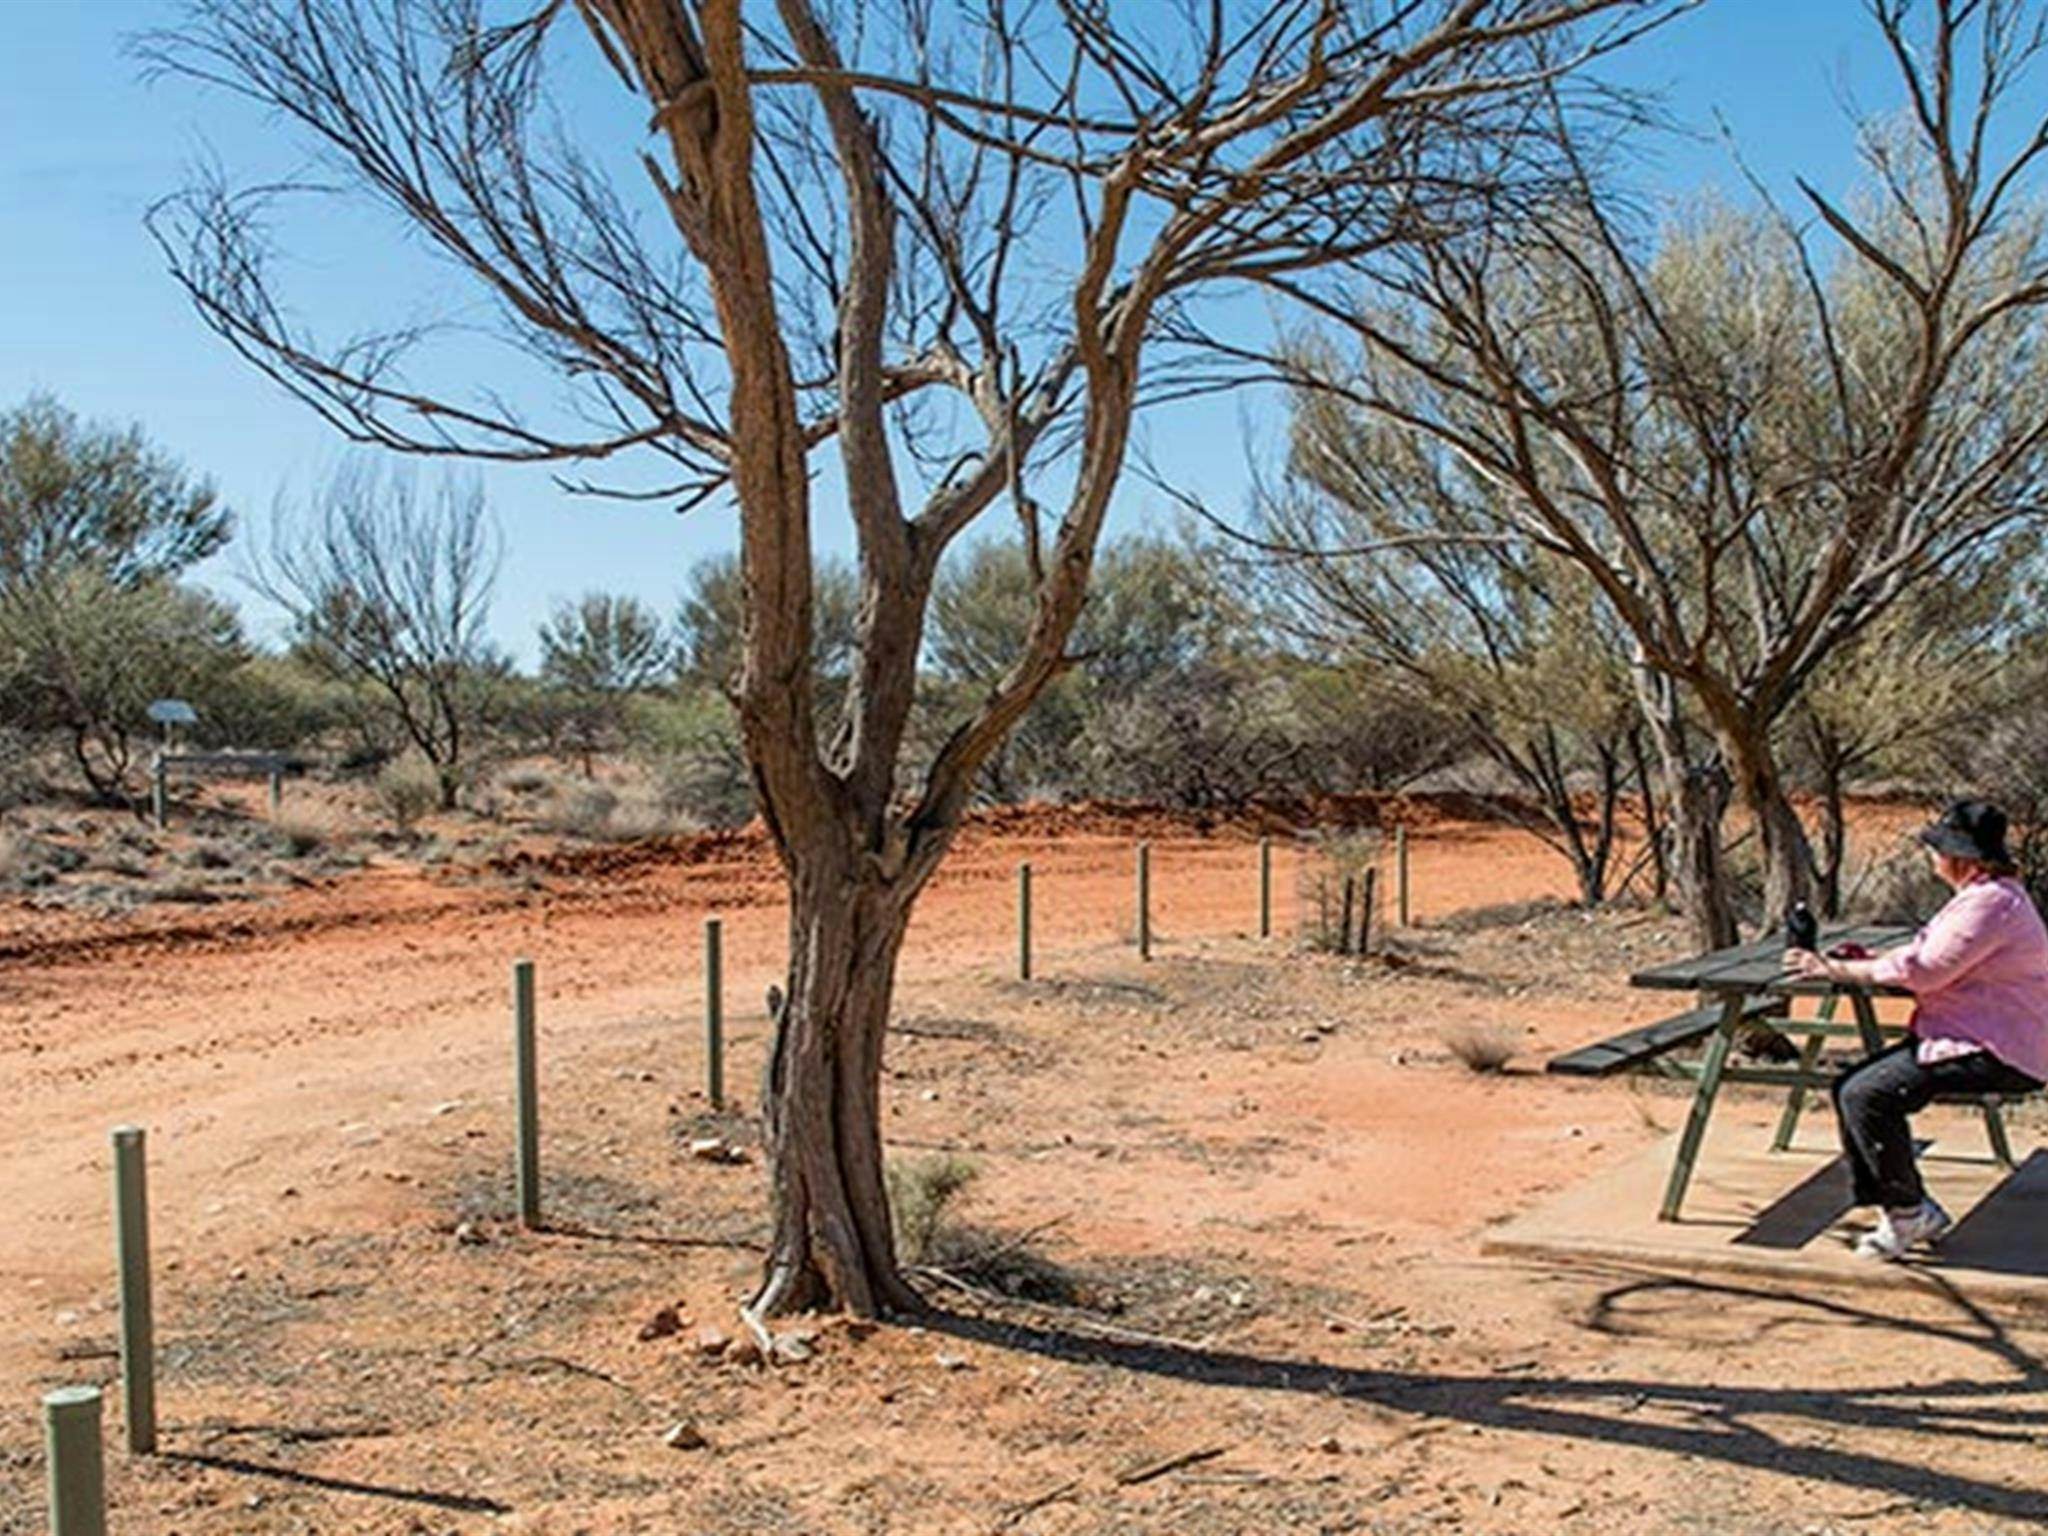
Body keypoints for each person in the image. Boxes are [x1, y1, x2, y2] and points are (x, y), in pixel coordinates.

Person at [1786, 799, 2048, 1260]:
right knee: (1855, 1087)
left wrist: (1834, 970)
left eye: (1938, 848)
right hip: (1975, 1034)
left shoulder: (1989, 904)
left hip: (1998, 1048)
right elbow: (1931, 958)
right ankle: (1904, 1208)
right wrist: (1870, 964)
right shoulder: (1987, 897)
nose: (1932, 856)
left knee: (1866, 1094)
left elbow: (1924, 973)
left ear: (1961, 858)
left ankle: (1908, 1214)